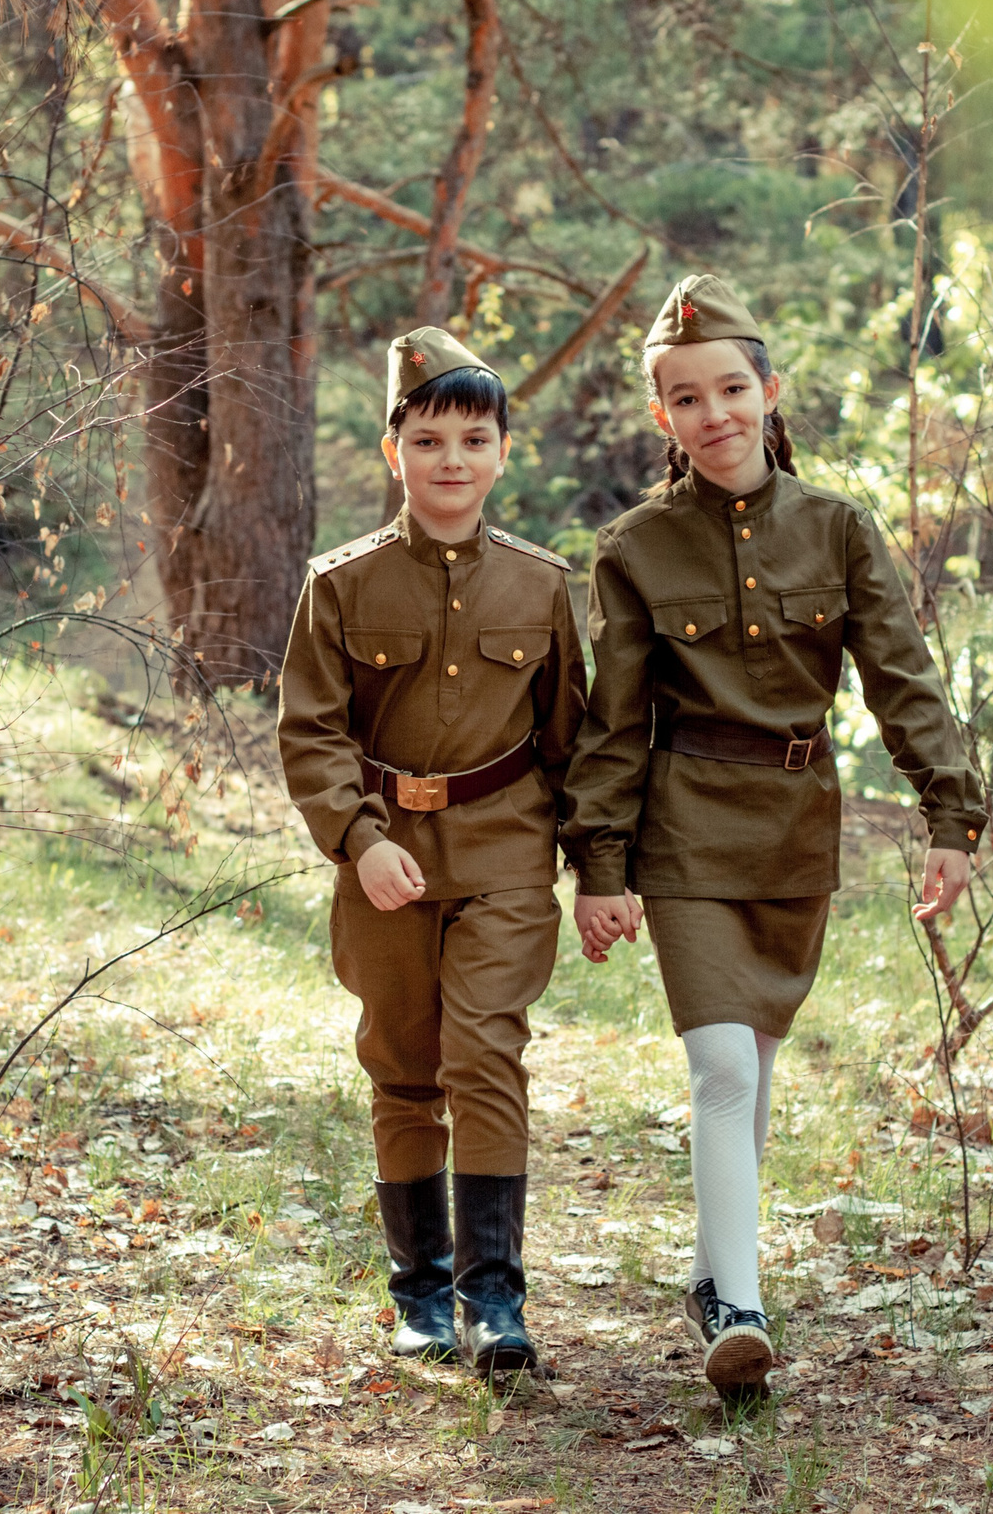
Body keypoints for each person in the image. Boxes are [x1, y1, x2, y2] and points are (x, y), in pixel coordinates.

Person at [561, 275, 988, 1397]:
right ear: (663, 418)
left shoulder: (838, 530)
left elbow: (904, 683)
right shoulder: (633, 549)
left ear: (768, 391)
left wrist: (952, 814)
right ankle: (740, 1310)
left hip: (796, 832)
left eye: (731, 390)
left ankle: (712, 1276)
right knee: (716, 1064)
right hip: (686, 825)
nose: (715, 416)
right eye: (687, 399)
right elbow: (612, 724)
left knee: (747, 1065)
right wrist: (599, 866)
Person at [277, 326, 585, 1378]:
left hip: (505, 847)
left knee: (485, 1052)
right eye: (429, 438)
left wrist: (600, 868)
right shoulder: (341, 584)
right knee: (405, 1067)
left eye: (474, 438)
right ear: (391, 449)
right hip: (386, 857)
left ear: (505, 453)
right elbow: (310, 731)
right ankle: (420, 1298)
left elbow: (570, 740)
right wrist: (358, 841)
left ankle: (496, 1301)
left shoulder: (543, 589)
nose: (451, 460)